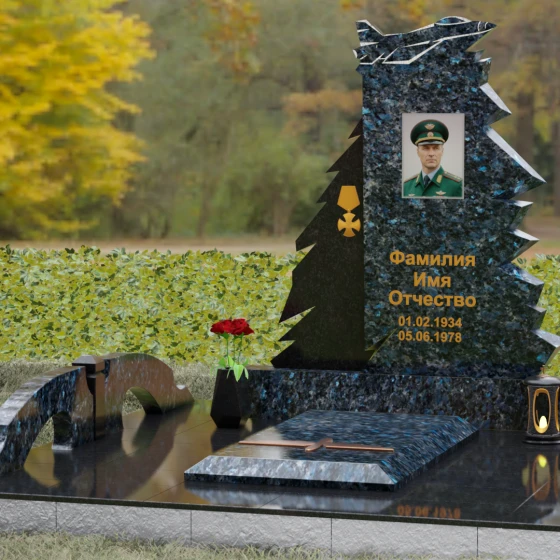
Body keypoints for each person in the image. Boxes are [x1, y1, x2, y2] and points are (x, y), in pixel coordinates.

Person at [402, 119, 463, 198]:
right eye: (425, 148)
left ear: (442, 151)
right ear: (417, 152)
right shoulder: (406, 186)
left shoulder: (456, 186)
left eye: (436, 148)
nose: (431, 154)